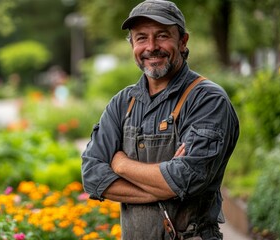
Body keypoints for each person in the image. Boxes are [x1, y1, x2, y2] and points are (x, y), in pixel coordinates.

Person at [81, 0, 240, 239]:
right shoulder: (123, 102)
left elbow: (186, 178)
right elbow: (92, 175)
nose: (151, 47)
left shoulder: (207, 99)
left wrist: (121, 164)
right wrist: (163, 188)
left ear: (183, 41)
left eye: (162, 35)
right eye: (141, 38)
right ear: (132, 44)